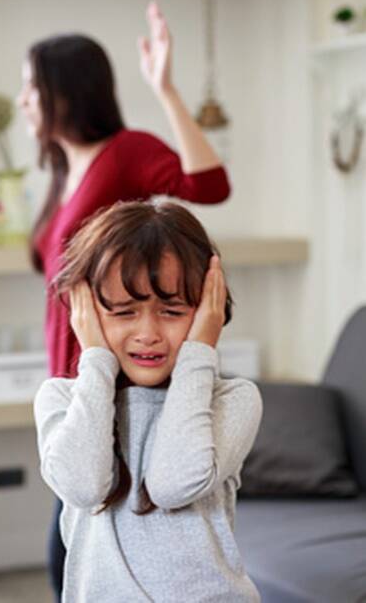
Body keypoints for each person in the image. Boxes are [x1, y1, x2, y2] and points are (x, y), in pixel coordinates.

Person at [15, 2, 232, 597]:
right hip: (75, 371)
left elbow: (209, 185)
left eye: (32, 87)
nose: (23, 100)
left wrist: (164, 89)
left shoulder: (125, 151)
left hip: (115, 375)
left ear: (65, 91)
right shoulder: (63, 169)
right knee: (76, 527)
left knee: (81, 531)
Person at [34, 200, 262, 602]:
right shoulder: (62, 400)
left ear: (206, 310)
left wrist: (199, 351)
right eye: (124, 312)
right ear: (86, 312)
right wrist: (96, 359)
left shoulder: (234, 400)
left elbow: (174, 484)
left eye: (172, 311)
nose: (148, 333)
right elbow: (84, 486)